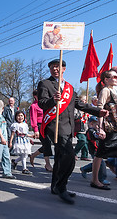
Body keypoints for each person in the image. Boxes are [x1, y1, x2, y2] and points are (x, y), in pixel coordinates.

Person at [37, 59, 107, 204]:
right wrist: (52, 100)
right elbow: (42, 103)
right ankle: (62, 187)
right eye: (52, 67)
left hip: (68, 127)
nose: (55, 69)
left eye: (58, 67)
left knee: (59, 158)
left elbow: (80, 104)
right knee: (69, 157)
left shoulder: (69, 87)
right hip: (55, 126)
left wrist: (99, 111)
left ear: (64, 69)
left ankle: (54, 187)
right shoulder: (45, 84)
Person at [91, 70, 117, 190]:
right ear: (106, 79)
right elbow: (99, 110)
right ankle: (95, 180)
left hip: (116, 127)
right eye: (114, 76)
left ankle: (110, 163)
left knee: (103, 154)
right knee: (100, 153)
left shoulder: (114, 90)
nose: (116, 78)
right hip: (109, 128)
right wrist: (100, 128)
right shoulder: (105, 90)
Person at [29, 90, 53, 171]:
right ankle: (47, 164)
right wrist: (36, 130)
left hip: (47, 124)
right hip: (39, 126)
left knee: (48, 144)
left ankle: (33, 155)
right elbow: (33, 118)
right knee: (46, 143)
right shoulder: (33, 106)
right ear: (34, 96)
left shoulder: (45, 103)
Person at [80, 116, 108, 184]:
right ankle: (101, 178)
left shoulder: (95, 130)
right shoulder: (91, 131)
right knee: (101, 164)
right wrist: (99, 134)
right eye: (97, 125)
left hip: (98, 149)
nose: (98, 127)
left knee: (98, 164)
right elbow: (94, 136)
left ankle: (84, 169)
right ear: (91, 124)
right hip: (94, 150)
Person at [73, 96, 90, 161]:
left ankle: (84, 155)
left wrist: (87, 114)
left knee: (86, 143)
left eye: (86, 100)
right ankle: (74, 153)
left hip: (85, 128)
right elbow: (74, 116)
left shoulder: (86, 108)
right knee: (82, 140)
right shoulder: (76, 108)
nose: (85, 101)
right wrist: (81, 114)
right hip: (79, 128)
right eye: (84, 100)